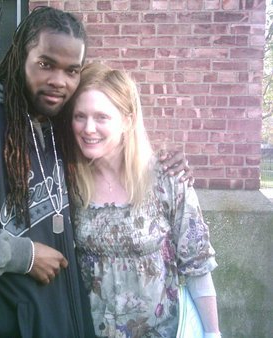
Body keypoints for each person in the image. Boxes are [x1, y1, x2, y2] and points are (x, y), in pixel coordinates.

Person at [0, 6, 191, 338]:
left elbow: (110, 139)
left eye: (72, 70)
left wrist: (163, 163)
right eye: (45, 64)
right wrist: (23, 255)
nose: (59, 81)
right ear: (20, 57)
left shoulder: (55, 125)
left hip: (48, 321)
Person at [57, 62, 220, 338]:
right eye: (80, 116)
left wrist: (213, 333)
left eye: (101, 117)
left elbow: (198, 267)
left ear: (128, 120)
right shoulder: (69, 184)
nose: (88, 128)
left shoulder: (167, 179)